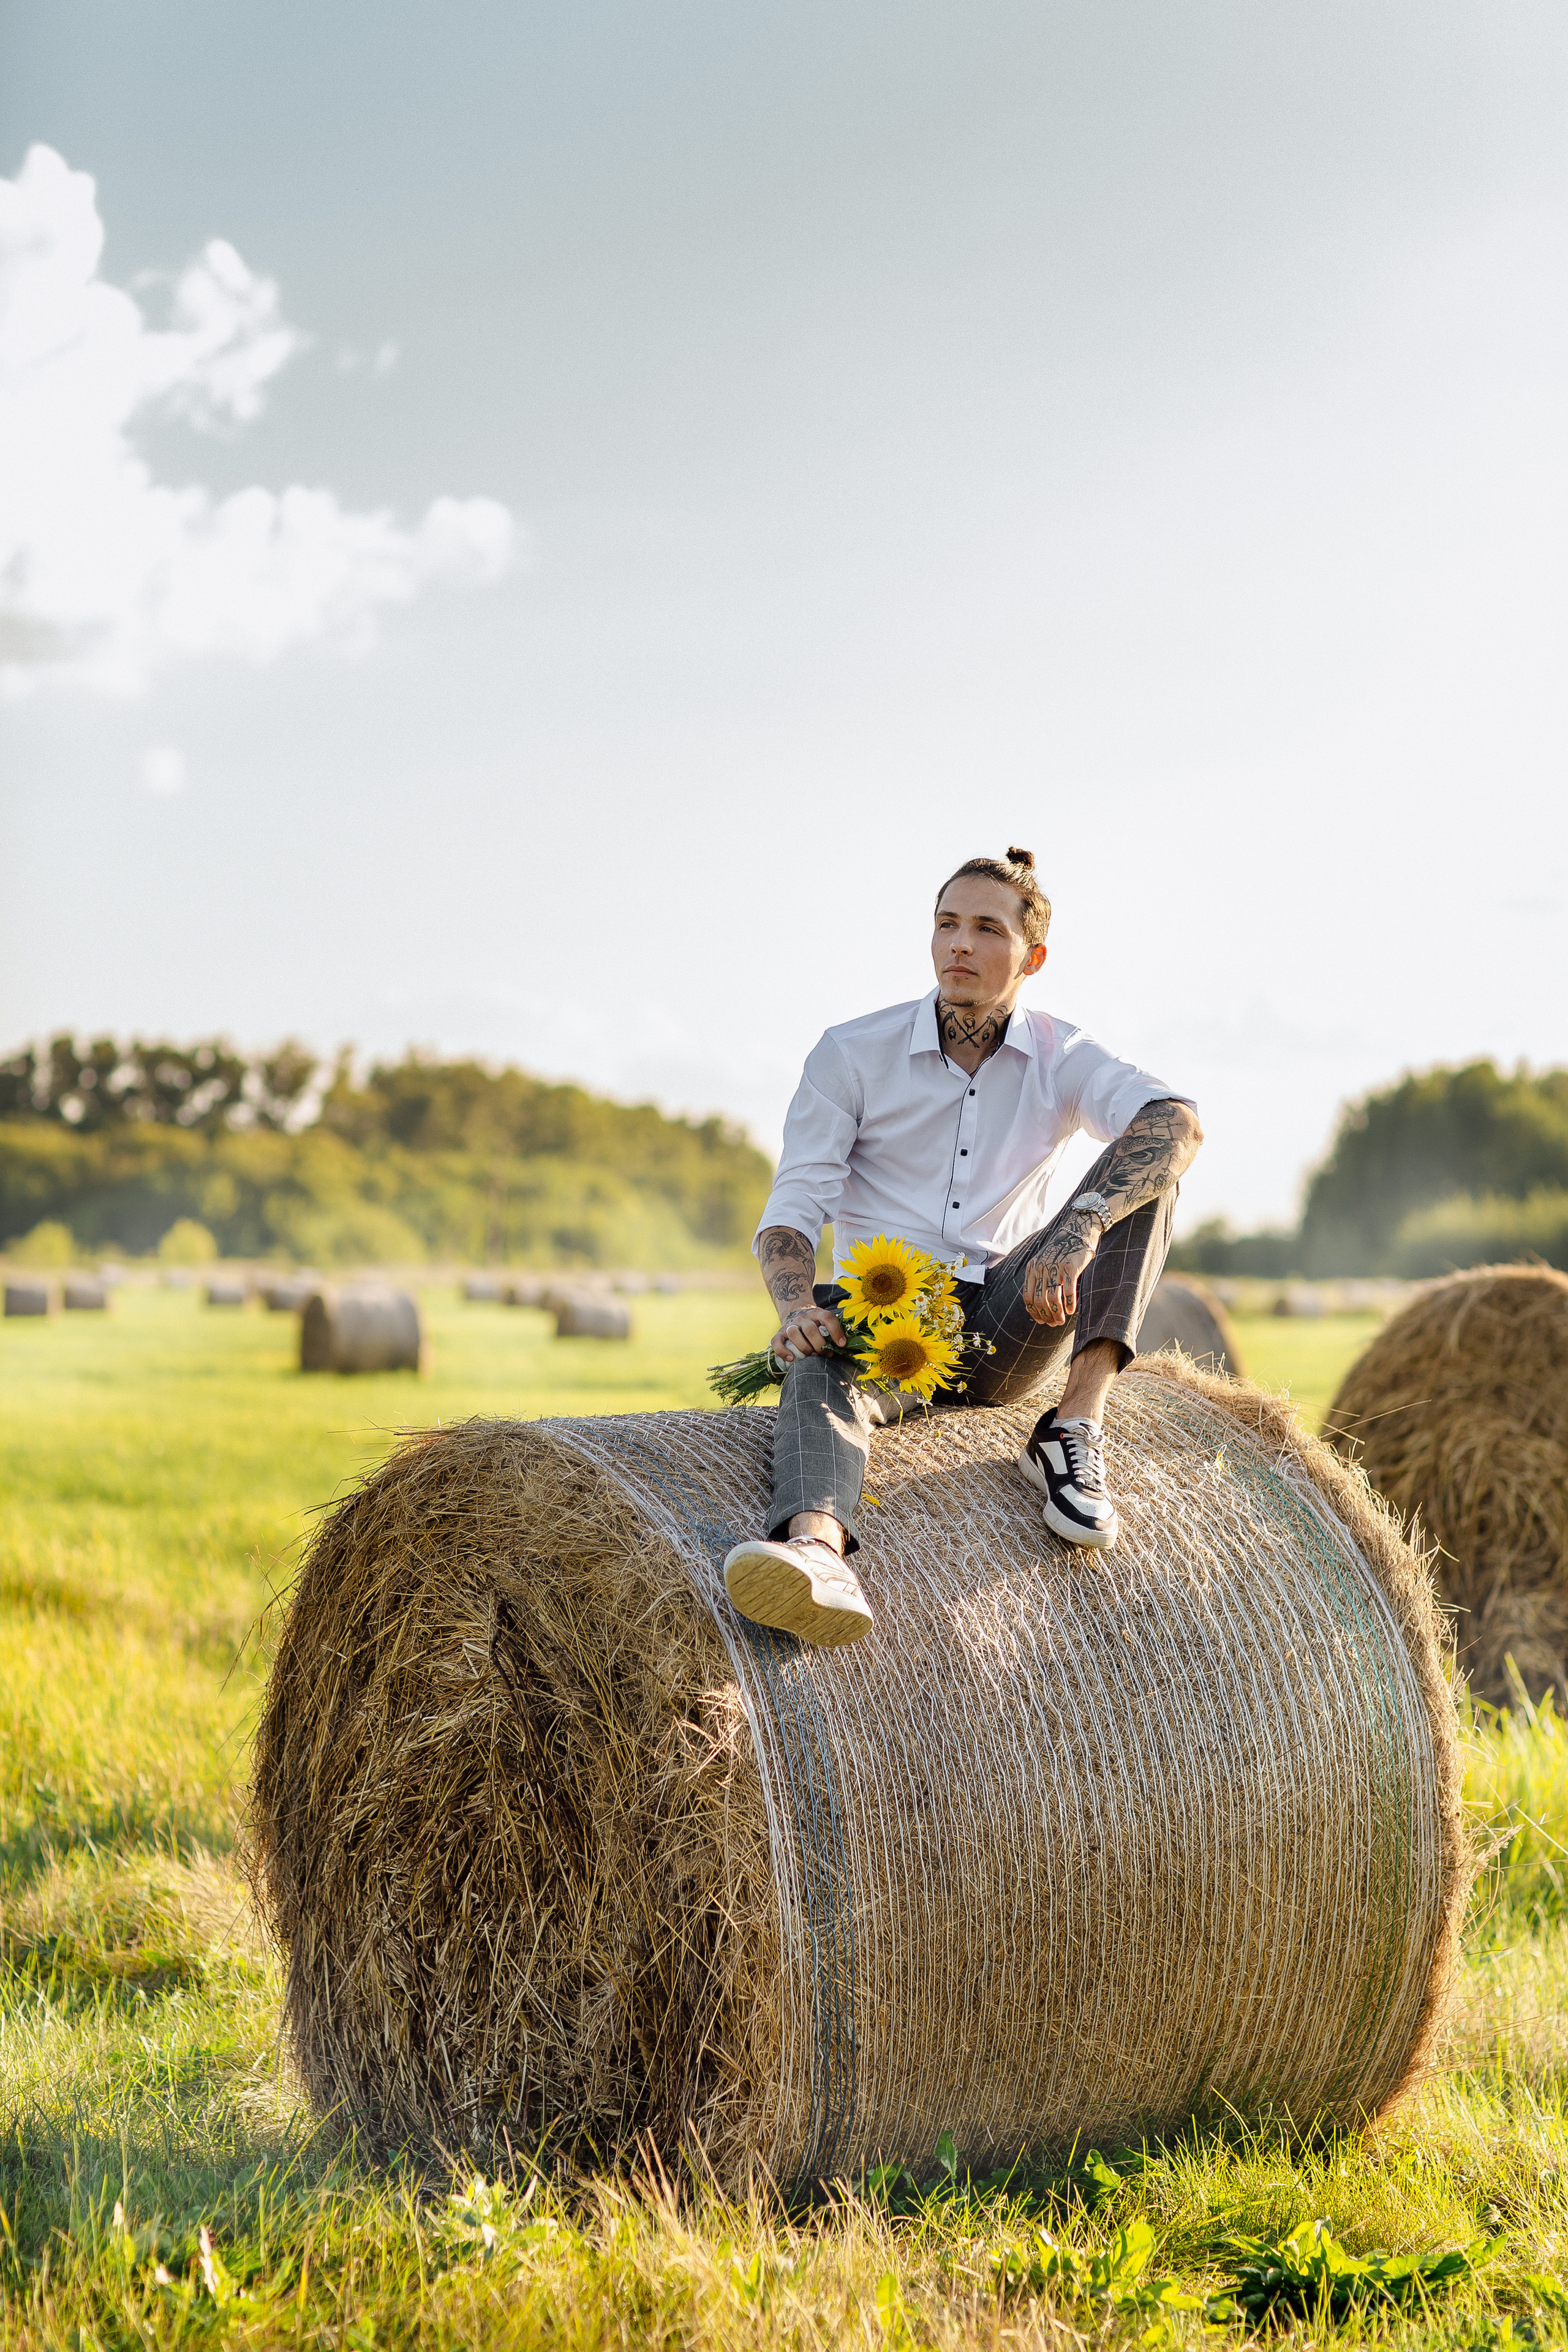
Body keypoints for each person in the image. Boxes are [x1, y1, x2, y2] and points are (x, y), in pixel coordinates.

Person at [722, 846, 1202, 1648]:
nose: (960, 945)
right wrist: (796, 1307)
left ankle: (1072, 1429)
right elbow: (793, 1205)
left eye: (987, 929)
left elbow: (1177, 1120)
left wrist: (1080, 1225)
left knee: (1151, 1170)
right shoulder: (851, 1052)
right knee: (822, 1358)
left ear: (1032, 957)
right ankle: (818, 1552)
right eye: (947, 924)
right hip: (889, 1316)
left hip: (1015, 1316)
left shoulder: (1063, 1053)